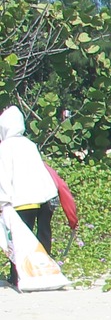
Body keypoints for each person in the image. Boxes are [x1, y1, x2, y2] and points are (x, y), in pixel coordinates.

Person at [0, 106, 58, 287]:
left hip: (21, 201)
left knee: (18, 241)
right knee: (43, 238)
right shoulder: (30, 144)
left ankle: (17, 277)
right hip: (44, 198)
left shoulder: (5, 147)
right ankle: (46, 274)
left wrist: (3, 201)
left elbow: (3, 175)